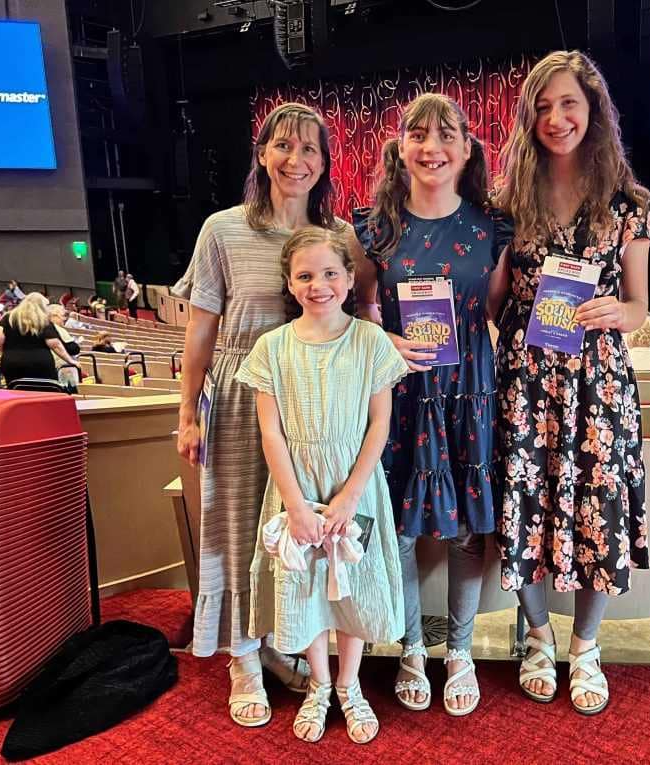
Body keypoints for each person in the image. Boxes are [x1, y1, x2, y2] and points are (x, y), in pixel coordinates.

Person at [490, 50, 650, 716]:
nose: (556, 118)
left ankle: (585, 647)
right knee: (520, 511)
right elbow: (494, 302)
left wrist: (621, 311)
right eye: (542, 107)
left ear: (593, 111)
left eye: (568, 104)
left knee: (601, 514)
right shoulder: (508, 202)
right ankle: (537, 636)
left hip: (598, 384)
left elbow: (643, 306)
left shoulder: (627, 205)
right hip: (526, 383)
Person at [173, 102, 340, 727]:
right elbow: (201, 330)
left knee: (294, 534)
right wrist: (187, 413)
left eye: (309, 150)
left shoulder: (335, 236)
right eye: (283, 146)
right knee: (239, 530)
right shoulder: (222, 230)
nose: (295, 160)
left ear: (324, 163)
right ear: (263, 153)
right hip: (243, 397)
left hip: (309, 406)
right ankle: (242, 657)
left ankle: (277, 643)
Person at [351, 92, 510, 717]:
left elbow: (497, 311)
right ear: (401, 148)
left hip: (470, 389)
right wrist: (382, 336)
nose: (432, 147)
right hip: (404, 391)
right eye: (418, 135)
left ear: (466, 149)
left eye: (446, 136)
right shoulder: (376, 228)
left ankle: (461, 650)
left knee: (470, 524)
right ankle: (415, 645)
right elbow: (357, 308)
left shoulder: (489, 226)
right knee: (406, 527)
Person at [236, 226, 407, 743]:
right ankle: (319, 686)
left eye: (330, 273)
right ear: (290, 283)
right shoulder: (272, 348)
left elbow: (380, 425)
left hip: (355, 487)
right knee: (306, 589)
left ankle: (351, 685)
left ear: (349, 278)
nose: (319, 285)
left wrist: (350, 496)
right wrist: (296, 506)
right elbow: (272, 431)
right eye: (305, 275)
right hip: (297, 491)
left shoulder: (370, 341)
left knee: (350, 591)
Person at [0, 293, 78, 383]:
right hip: (40, 363)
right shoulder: (43, 320)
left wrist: (6, 352)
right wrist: (70, 361)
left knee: (17, 390)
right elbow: (54, 344)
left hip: (11, 362)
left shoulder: (8, 317)